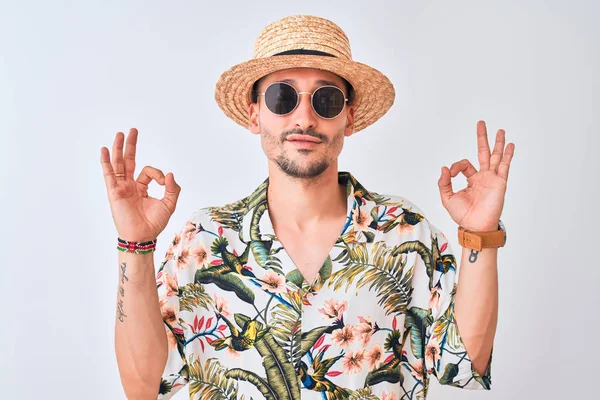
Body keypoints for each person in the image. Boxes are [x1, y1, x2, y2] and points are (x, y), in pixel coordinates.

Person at [101, 14, 514, 400]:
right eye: (282, 97)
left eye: (326, 99)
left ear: (348, 118)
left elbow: (466, 360)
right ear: (254, 114)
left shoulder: (404, 231)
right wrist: (134, 244)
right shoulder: (204, 240)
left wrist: (481, 233)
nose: (304, 117)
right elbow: (142, 385)